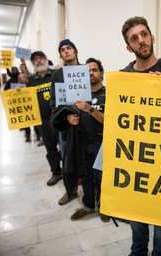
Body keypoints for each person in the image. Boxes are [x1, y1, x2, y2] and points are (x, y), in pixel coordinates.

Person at [120, 16, 161, 256]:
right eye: (134, 38)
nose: (141, 41)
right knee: (136, 212)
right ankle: (137, 255)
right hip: (135, 157)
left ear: (152, 37)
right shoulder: (124, 77)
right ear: (129, 47)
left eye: (144, 34)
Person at [69, 57, 108, 221]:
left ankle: (106, 208)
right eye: (87, 71)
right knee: (85, 176)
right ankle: (89, 205)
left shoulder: (109, 94)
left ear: (101, 73)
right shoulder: (78, 94)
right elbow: (69, 113)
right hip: (82, 141)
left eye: (94, 70)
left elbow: (109, 120)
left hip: (102, 142)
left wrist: (90, 109)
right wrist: (70, 118)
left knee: (103, 177)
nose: (91, 73)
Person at [50, 39, 81, 206]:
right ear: (61, 55)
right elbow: (54, 101)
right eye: (62, 50)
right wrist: (66, 117)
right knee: (67, 158)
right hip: (66, 123)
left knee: (87, 156)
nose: (66, 51)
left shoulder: (86, 70)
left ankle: (93, 189)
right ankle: (71, 191)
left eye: (69, 48)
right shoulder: (57, 74)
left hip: (85, 121)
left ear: (75, 51)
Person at [28, 51, 62, 186]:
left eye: (41, 58)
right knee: (50, 147)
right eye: (35, 60)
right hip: (42, 120)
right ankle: (56, 173)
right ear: (33, 63)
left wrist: (63, 70)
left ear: (46, 60)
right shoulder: (31, 80)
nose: (39, 61)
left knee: (65, 146)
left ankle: (68, 171)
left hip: (59, 117)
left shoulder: (55, 74)